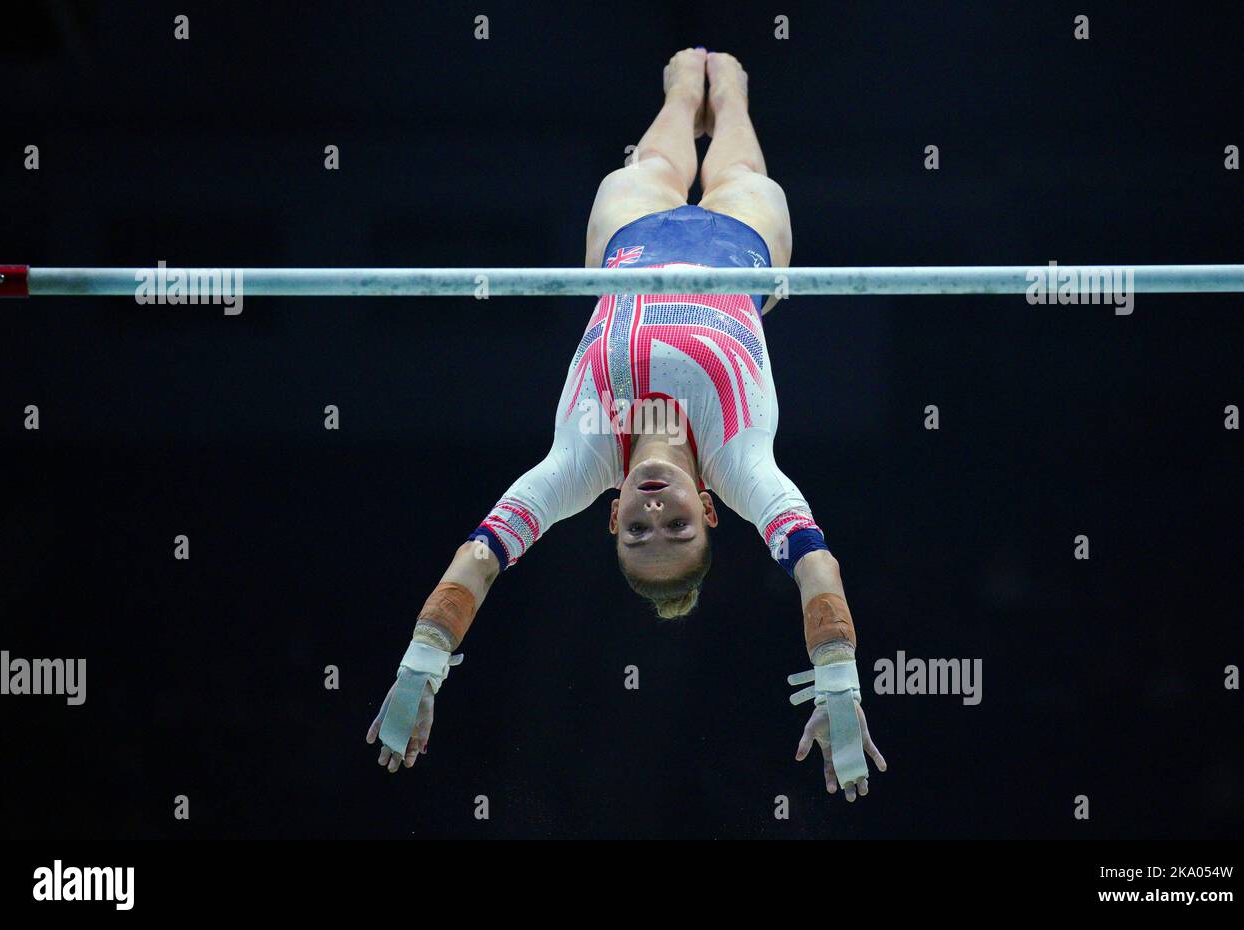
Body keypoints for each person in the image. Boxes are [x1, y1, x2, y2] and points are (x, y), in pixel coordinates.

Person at [366, 49, 887, 802]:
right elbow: (815, 569)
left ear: (610, 516)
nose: (653, 515)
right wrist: (839, 679)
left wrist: (421, 665)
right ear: (710, 511)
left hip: (628, 239)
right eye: (677, 530)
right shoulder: (741, 462)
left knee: (676, 108)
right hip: (743, 248)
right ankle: (732, 93)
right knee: (736, 142)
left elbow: (481, 560)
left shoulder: (578, 460)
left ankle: (685, 93)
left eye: (638, 533)